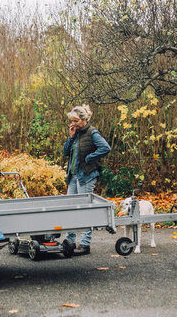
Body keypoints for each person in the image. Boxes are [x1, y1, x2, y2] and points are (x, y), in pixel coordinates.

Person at [63, 104, 111, 255]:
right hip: (73, 175)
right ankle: (69, 241)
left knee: (86, 209)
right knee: (69, 208)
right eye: (71, 121)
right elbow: (65, 152)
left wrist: (90, 158)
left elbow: (105, 148)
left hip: (86, 175)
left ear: (84, 120)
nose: (73, 124)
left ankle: (85, 244)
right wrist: (70, 137)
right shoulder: (75, 134)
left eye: (75, 121)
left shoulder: (92, 132)